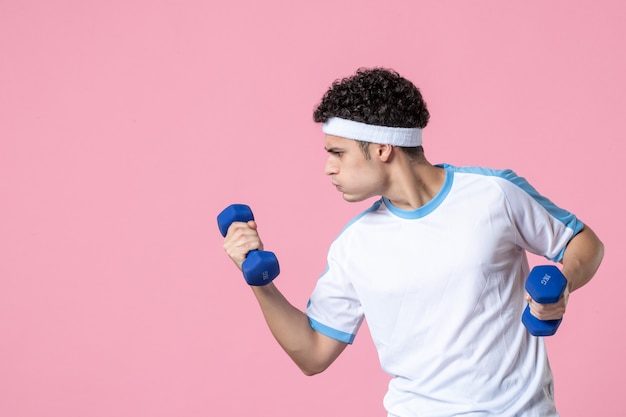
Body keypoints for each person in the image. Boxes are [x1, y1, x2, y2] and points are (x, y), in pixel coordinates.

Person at [222, 68, 604, 416]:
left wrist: (564, 283)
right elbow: (313, 354)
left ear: (383, 149)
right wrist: (259, 282)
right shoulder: (354, 246)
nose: (328, 168)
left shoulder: (494, 194)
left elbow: (582, 242)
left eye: (338, 152)